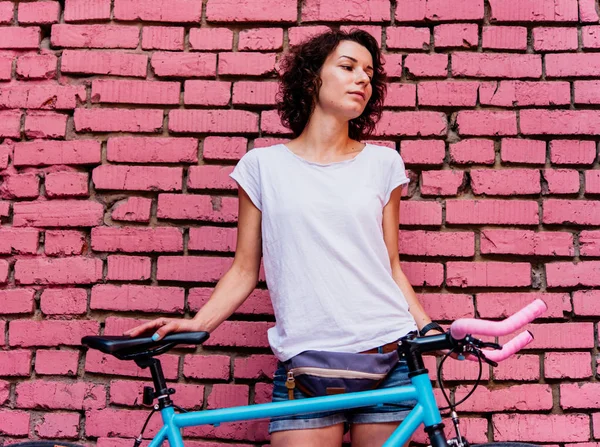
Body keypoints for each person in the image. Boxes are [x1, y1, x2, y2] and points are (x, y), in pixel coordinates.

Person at [125, 29, 444, 447]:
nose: (362, 79)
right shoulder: (262, 167)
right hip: (305, 364)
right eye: (347, 67)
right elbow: (244, 270)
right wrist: (198, 324)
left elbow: (391, 266)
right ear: (313, 78)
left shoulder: (383, 163)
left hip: (389, 356)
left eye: (369, 73)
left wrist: (429, 328)